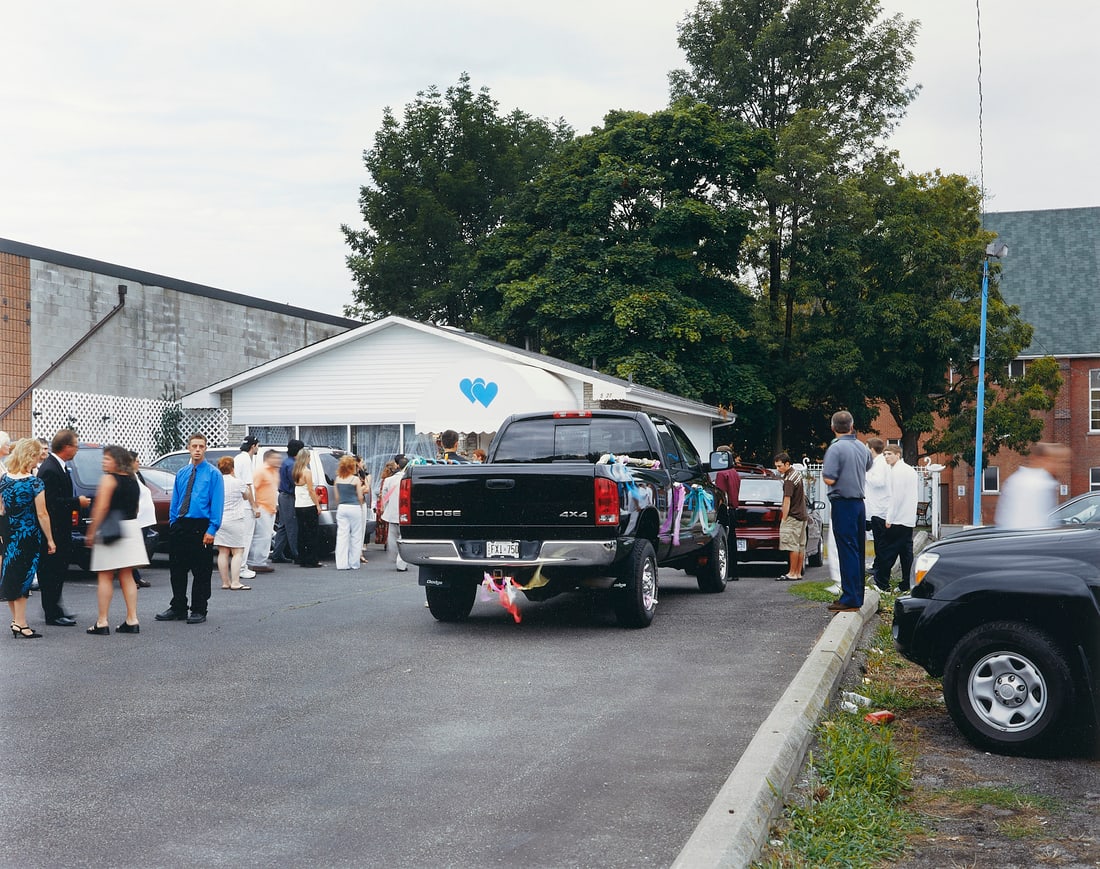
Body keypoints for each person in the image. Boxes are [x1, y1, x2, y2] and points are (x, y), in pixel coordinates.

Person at [157, 433, 224, 625]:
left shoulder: (213, 474)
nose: (197, 450)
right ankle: (178, 606)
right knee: (177, 570)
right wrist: (173, 522)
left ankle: (199, 609)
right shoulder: (182, 473)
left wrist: (212, 529)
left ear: (205, 448)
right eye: (194, 446)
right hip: (181, 525)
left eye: (201, 446)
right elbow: (176, 500)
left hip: (201, 525)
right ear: (188, 448)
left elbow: (217, 503)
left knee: (201, 571)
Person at [83, 445, 148, 635]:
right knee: (127, 575)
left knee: (105, 575)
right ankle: (132, 619)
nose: (103, 462)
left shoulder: (108, 479)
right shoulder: (133, 480)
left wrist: (91, 531)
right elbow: (136, 508)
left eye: (107, 459)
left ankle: (102, 621)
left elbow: (101, 508)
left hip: (111, 528)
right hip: (131, 528)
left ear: (117, 461)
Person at [1, 438, 57, 638]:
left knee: (11, 576)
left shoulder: (4, 479)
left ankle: (16, 620)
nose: (38, 460)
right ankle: (21, 624)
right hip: (29, 535)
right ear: (29, 456)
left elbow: (1, 509)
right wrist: (50, 539)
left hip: (10, 534)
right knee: (24, 578)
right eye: (36, 456)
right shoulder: (34, 482)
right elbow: (42, 514)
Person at [36, 429, 90, 626]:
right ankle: (52, 613)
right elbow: (51, 503)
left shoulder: (61, 467)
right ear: (66, 447)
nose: (76, 450)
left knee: (58, 570)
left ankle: (56, 608)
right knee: (51, 571)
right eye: (75, 446)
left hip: (62, 529)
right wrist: (76, 502)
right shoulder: (50, 469)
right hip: (53, 530)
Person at [821, 411, 873, 614]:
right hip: (859, 503)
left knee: (847, 549)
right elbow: (868, 466)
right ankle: (857, 594)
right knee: (857, 550)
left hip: (842, 502)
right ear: (852, 426)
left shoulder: (835, 448)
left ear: (833, 427)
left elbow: (829, 478)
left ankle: (849, 597)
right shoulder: (861, 446)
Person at [874, 445, 918, 592]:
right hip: (908, 518)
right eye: (885, 454)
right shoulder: (910, 470)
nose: (886, 457)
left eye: (889, 454)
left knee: (887, 551)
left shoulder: (897, 472)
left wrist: (889, 518)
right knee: (906, 554)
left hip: (898, 519)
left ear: (898, 455)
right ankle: (907, 583)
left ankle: (882, 584)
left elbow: (896, 497)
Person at [995, 442, 1070, 529]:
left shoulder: (1017, 479)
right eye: (1059, 461)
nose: (1065, 467)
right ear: (1042, 460)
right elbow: (1035, 524)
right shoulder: (1039, 485)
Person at [214, 456, 257, 590]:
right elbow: (246, 495)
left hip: (220, 520)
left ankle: (225, 582)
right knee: (237, 551)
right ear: (233, 468)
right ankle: (236, 582)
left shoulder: (216, 482)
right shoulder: (238, 482)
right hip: (235, 519)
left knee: (223, 551)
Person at [774, 452, 808, 581]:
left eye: (779, 466)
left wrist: (784, 518)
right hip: (802, 515)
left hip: (793, 516)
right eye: (776, 466)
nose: (778, 469)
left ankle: (792, 573)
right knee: (800, 545)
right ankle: (798, 573)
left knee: (792, 545)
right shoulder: (797, 474)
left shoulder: (788, 480)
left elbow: (787, 500)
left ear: (787, 464)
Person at [271, 439, 305, 563]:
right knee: (292, 526)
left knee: (283, 526)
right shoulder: (292, 465)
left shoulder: (286, 462)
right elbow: (295, 482)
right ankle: (296, 554)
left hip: (283, 496)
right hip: (289, 496)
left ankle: (277, 554)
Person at [248, 449, 281, 573]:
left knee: (266, 536)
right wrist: (255, 506)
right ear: (267, 458)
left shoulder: (274, 472)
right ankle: (256, 562)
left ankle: (260, 561)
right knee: (262, 536)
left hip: (271, 508)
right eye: (275, 458)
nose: (278, 461)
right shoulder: (261, 471)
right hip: (262, 507)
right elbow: (252, 488)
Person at [864, 438, 890, 589]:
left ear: (872, 449)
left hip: (880, 509)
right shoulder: (876, 463)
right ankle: (877, 565)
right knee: (877, 541)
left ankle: (879, 570)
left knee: (880, 542)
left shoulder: (880, 463)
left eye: (867, 447)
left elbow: (879, 481)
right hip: (875, 508)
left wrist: (865, 474)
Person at [712, 445, 740, 581]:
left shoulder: (722, 473)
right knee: (732, 540)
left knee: (724, 541)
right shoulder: (734, 472)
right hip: (734, 508)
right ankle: (734, 571)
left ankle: (727, 571)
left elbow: (720, 494)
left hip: (725, 509)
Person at [333, 455, 366, 570]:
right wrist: (360, 506)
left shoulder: (337, 479)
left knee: (342, 535)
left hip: (342, 507)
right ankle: (354, 563)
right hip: (354, 507)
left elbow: (337, 497)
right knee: (356, 535)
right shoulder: (355, 479)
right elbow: (360, 497)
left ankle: (341, 564)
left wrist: (340, 504)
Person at [235, 435, 260, 579]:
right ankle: (241, 568)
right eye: (257, 445)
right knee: (246, 537)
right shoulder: (246, 460)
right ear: (253, 446)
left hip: (238, 504)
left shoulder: (239, 458)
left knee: (241, 537)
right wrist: (254, 506)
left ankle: (240, 566)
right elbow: (247, 485)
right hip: (245, 505)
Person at [130, 451, 156, 588]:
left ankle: (136, 577)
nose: (138, 463)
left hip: (145, 520)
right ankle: (132, 578)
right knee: (134, 550)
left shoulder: (137, 476)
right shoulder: (129, 478)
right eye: (136, 461)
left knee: (138, 550)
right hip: (138, 520)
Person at [293, 448, 322, 567]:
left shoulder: (296, 471)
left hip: (298, 505)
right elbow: (311, 490)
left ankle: (302, 558)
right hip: (308, 505)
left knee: (302, 532)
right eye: (309, 457)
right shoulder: (307, 472)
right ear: (306, 458)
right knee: (312, 533)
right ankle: (312, 559)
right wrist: (317, 505)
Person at [379, 460, 407, 571]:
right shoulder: (408, 479)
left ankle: (393, 555)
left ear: (398, 466)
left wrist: (384, 507)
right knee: (403, 537)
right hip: (404, 512)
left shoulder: (389, 480)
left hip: (392, 512)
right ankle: (401, 563)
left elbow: (385, 496)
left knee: (392, 536)